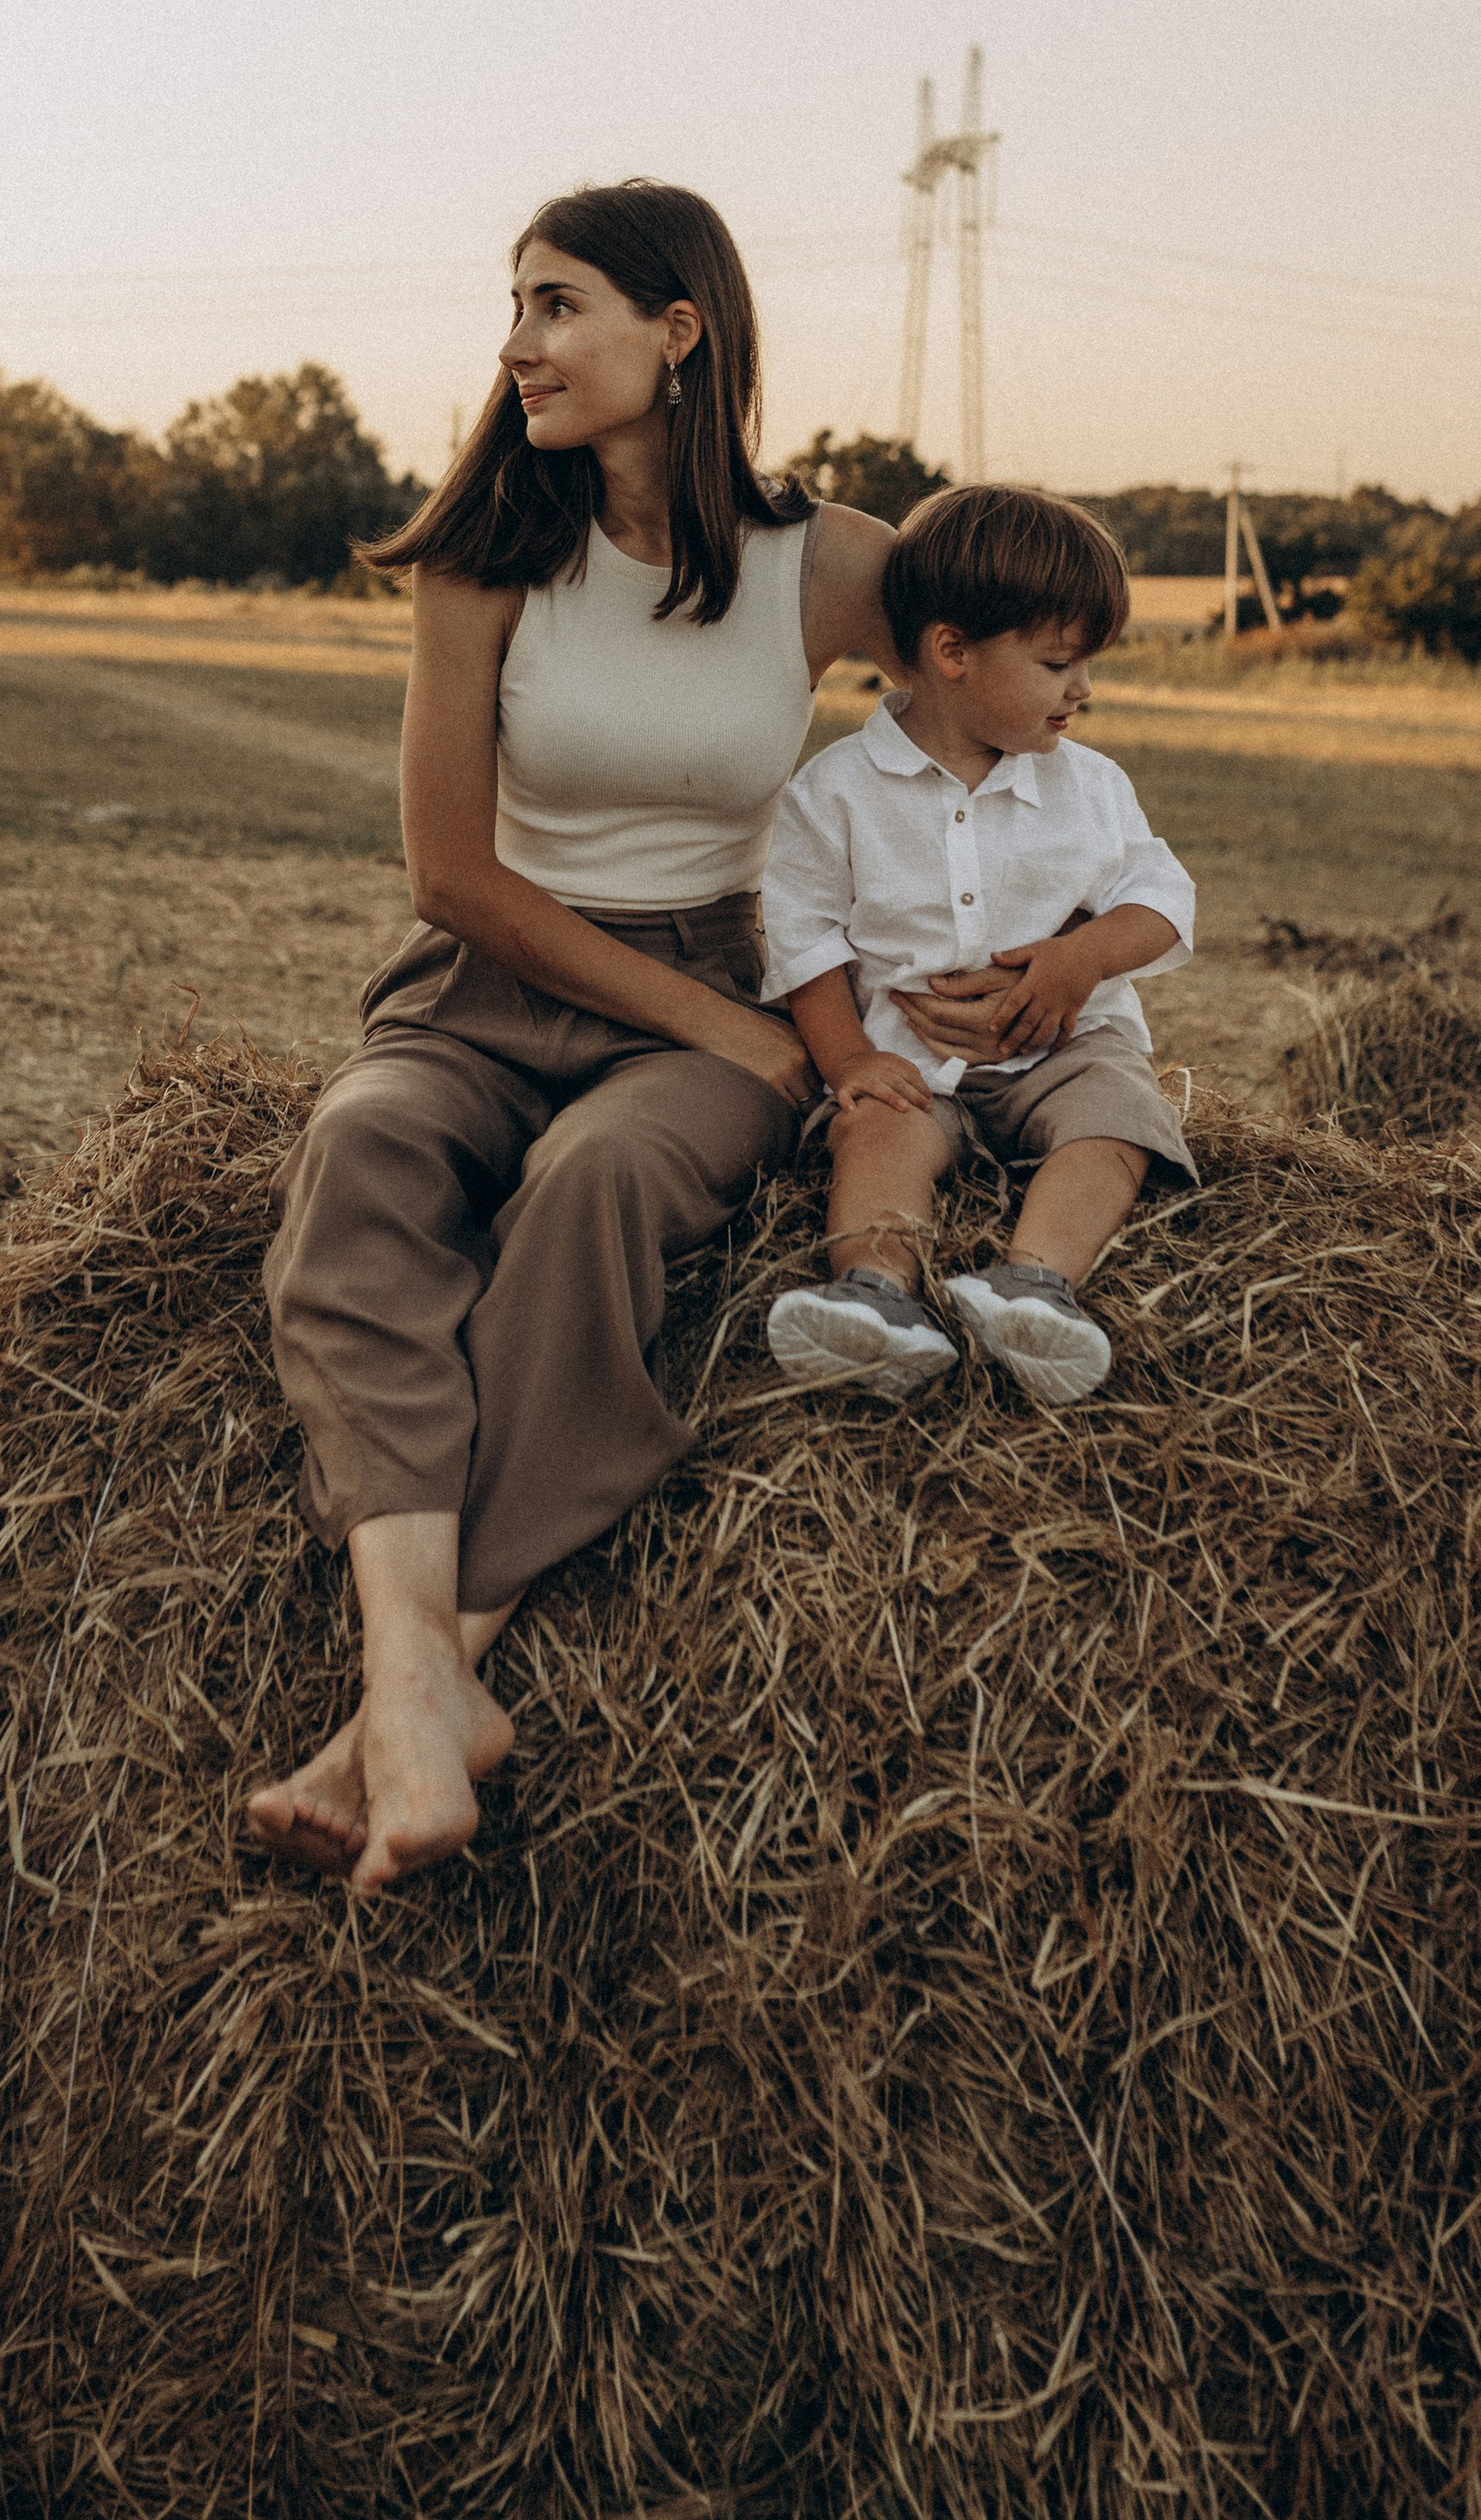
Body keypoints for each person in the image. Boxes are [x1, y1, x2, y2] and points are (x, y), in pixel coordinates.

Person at [247, 180, 901, 1896]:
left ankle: (433, 1676)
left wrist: (1032, 958)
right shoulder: (487, 557)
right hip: (492, 978)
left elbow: (1002, 701)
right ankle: (415, 1679)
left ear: (678, 331)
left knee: (601, 1184)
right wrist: (724, 1029)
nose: (516, 343)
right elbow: (451, 874)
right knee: (362, 1151)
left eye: (557, 305)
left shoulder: (824, 561)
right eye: (516, 307)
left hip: (701, 988)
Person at [759, 483, 1197, 1411]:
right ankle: (876, 1296)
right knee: (875, 1130)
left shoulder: (1090, 785)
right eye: (1056, 662)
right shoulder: (834, 792)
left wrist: (1080, 960)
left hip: (1067, 1054)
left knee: (1118, 1117)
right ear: (952, 650)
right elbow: (804, 941)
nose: (1082, 688)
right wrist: (851, 1059)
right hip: (912, 1058)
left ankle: (1035, 1285)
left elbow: (1164, 897)